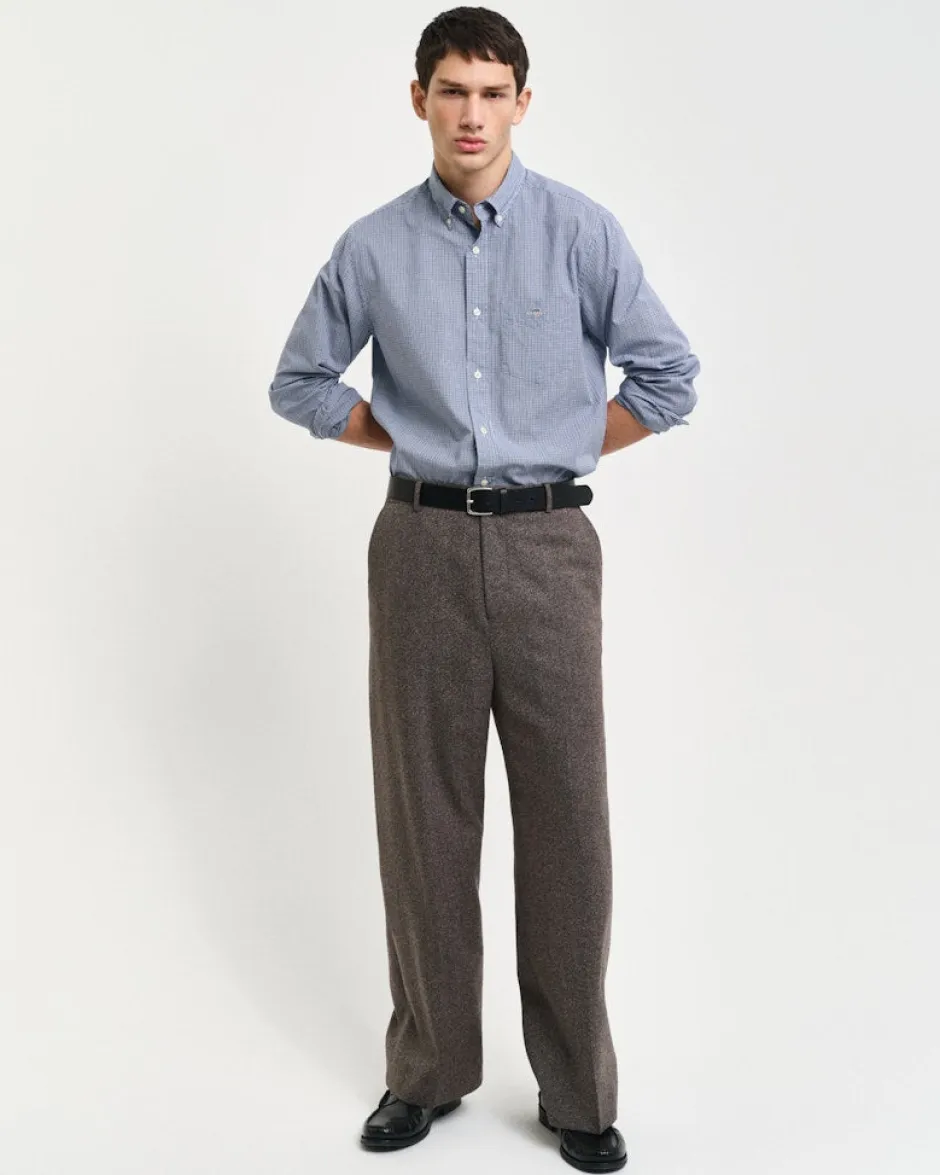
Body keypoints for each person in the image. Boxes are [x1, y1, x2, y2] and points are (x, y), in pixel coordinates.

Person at [267, 7, 699, 1170]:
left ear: (522, 102)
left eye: (492, 91)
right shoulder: (371, 246)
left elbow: (667, 377)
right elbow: (300, 381)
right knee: (425, 819)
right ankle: (426, 1072)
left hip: (549, 548)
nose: (471, 113)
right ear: (419, 99)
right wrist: (408, 437)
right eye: (451, 89)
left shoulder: (580, 232)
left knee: (568, 823)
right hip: (416, 549)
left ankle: (578, 1092)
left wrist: (557, 441)